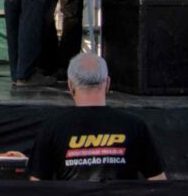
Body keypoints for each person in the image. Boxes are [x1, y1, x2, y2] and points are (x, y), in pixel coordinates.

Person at [24, 49, 167, 180]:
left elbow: (37, 188)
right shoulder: (135, 126)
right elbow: (159, 183)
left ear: (70, 85)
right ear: (108, 83)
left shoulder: (52, 128)